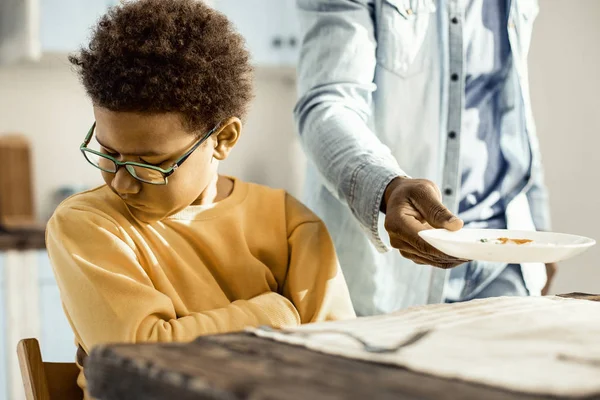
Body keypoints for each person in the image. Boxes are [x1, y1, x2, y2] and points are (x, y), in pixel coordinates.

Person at [45, 0, 355, 396]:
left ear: (223, 139)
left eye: (151, 163)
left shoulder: (290, 223)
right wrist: (275, 313)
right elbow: (138, 360)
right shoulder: (87, 223)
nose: (122, 183)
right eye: (108, 154)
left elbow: (337, 361)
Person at [294, 0, 556, 316]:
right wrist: (387, 186)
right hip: (390, 273)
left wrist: (539, 226)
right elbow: (327, 105)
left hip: (504, 264)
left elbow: (513, 107)